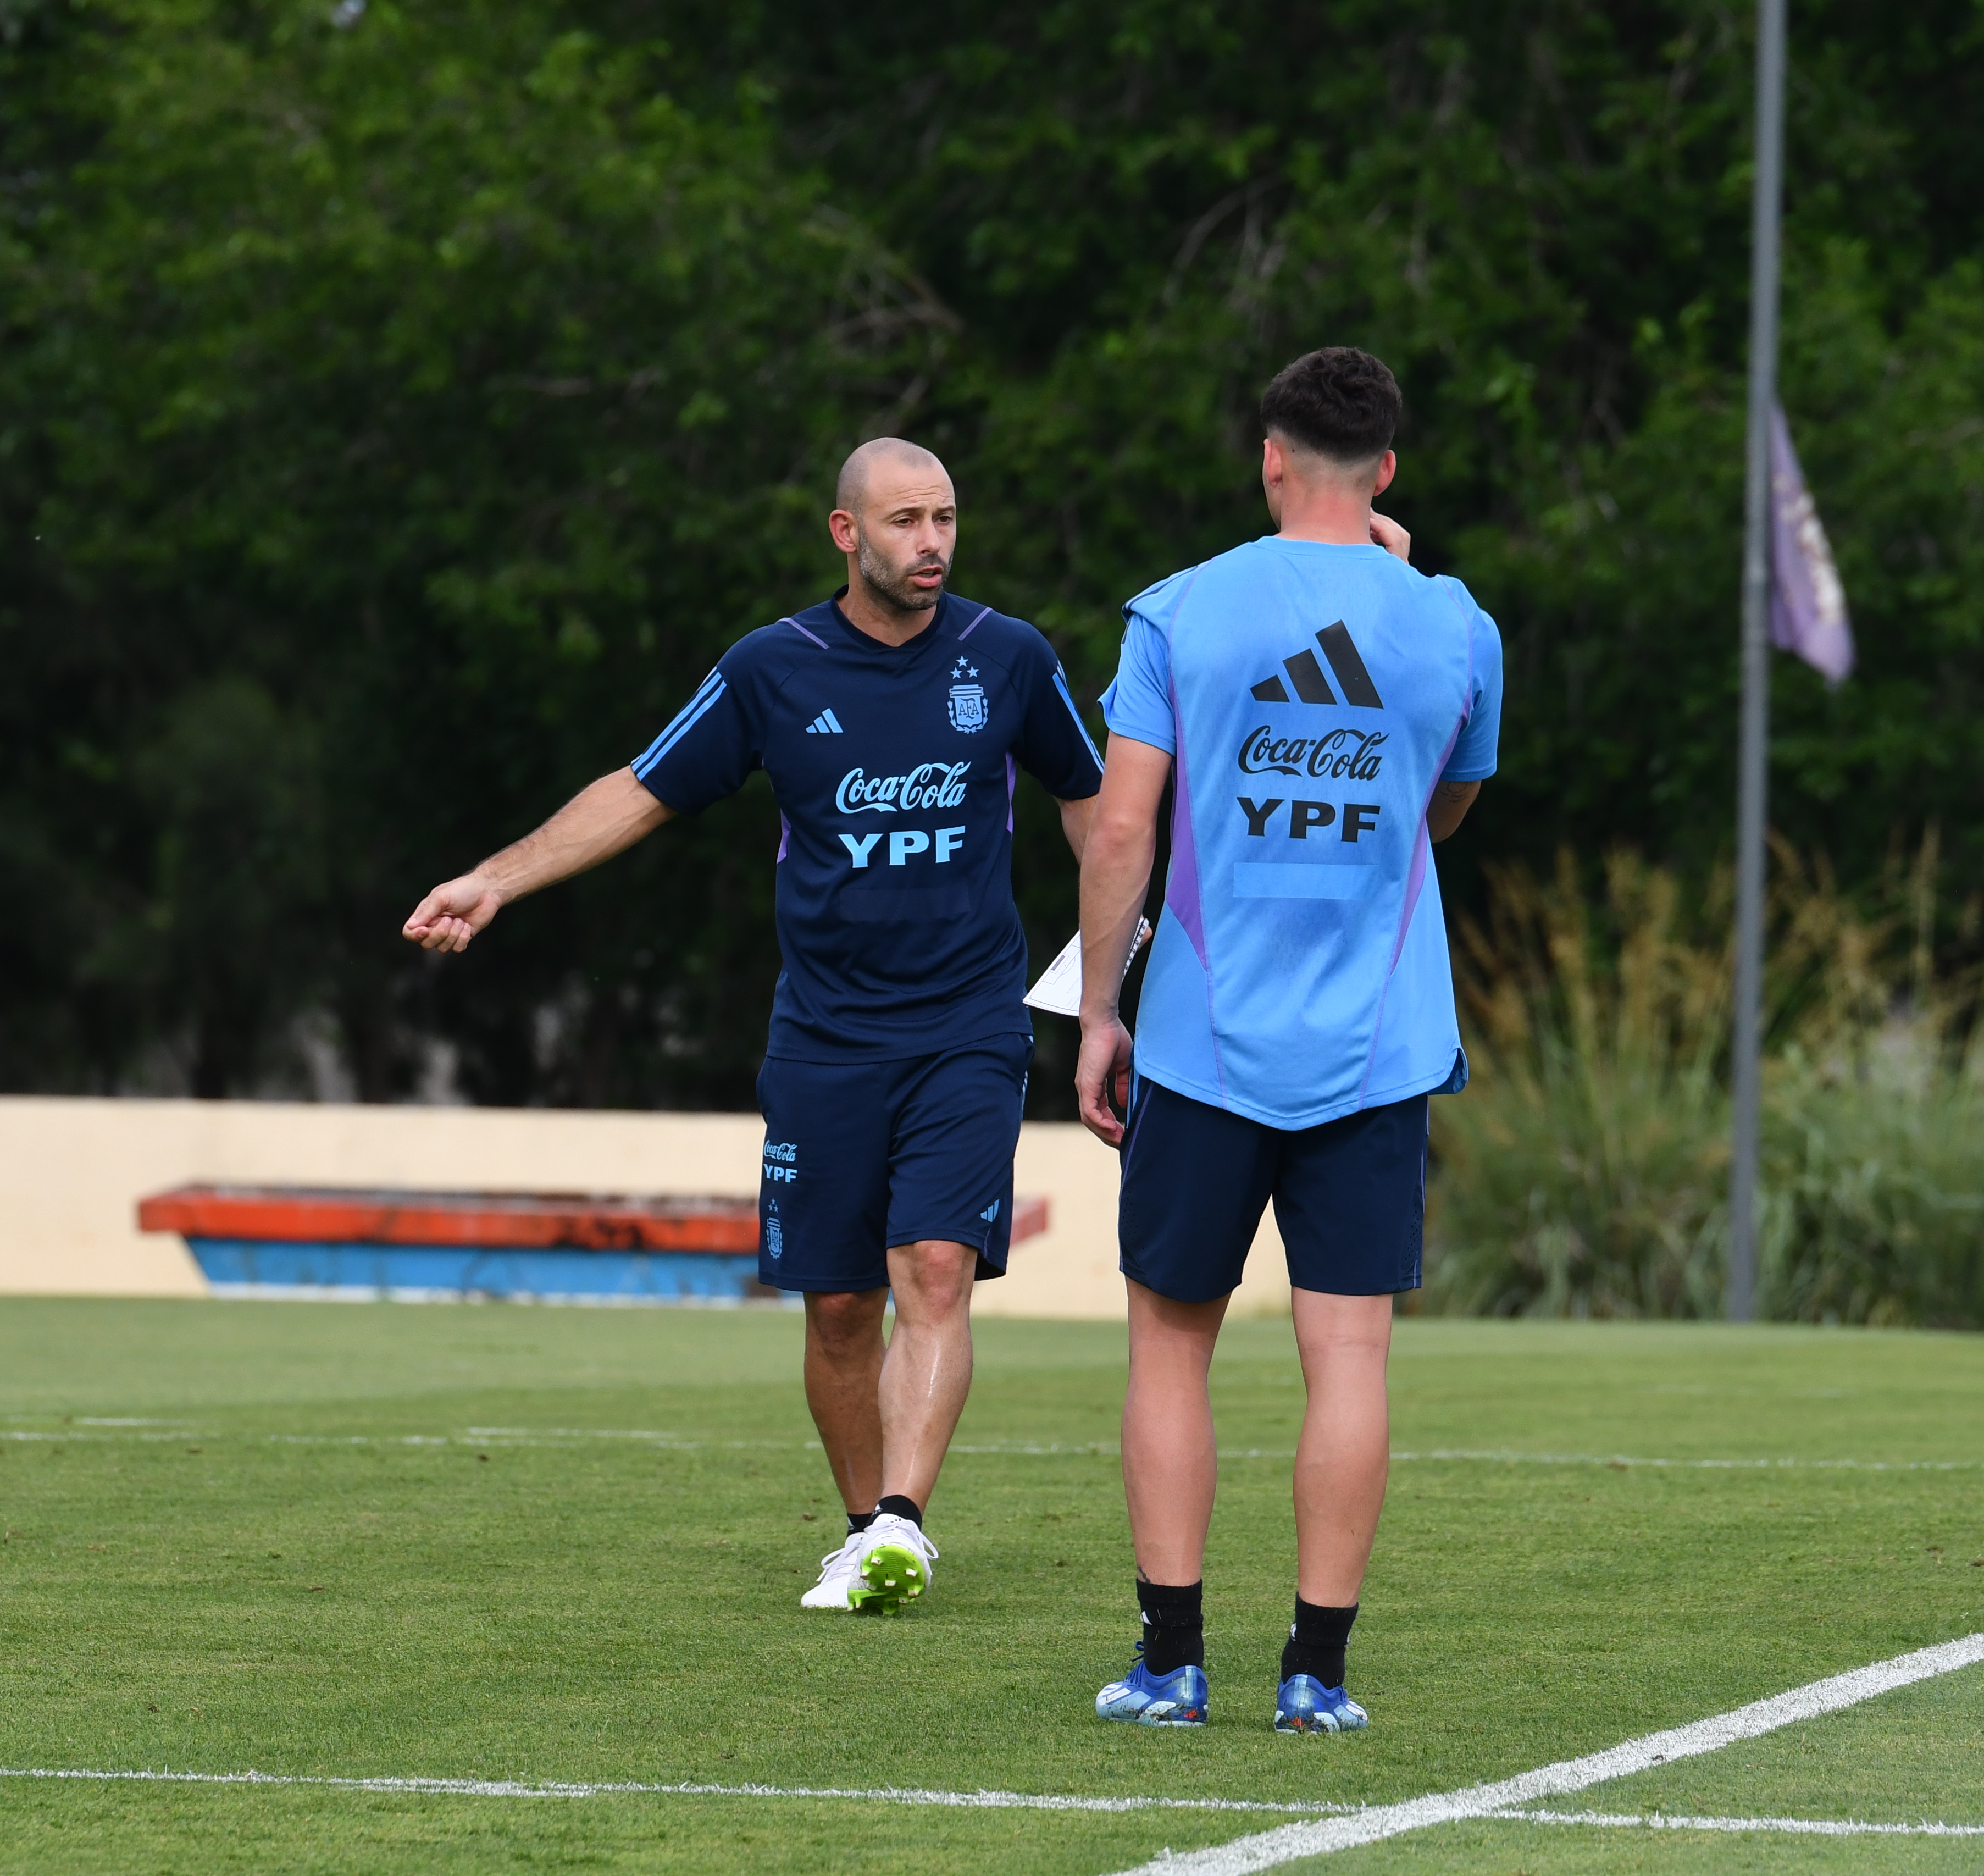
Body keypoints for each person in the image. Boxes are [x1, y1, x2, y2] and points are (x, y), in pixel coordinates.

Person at [403, 439, 1105, 1612]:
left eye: (944, 518)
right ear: (846, 532)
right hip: (824, 1036)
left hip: (968, 1023)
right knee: (839, 1306)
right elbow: (640, 788)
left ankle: (901, 1519)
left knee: (935, 1268)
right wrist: (494, 880)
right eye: (904, 521)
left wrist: (1113, 966)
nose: (931, 542)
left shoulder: (1009, 655)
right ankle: (864, 1529)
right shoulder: (772, 666)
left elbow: (1095, 808)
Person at [1072, 346, 1499, 1730]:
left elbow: (1123, 827)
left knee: (1168, 1347)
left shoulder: (1180, 609)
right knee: (1350, 1356)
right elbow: (1443, 809)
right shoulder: (1455, 625)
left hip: (1201, 1037)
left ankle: (1170, 1663)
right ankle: (1315, 1674)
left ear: (1269, 458)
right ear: (1386, 469)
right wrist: (1402, 581)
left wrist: (1099, 1009)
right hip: (1376, 1044)